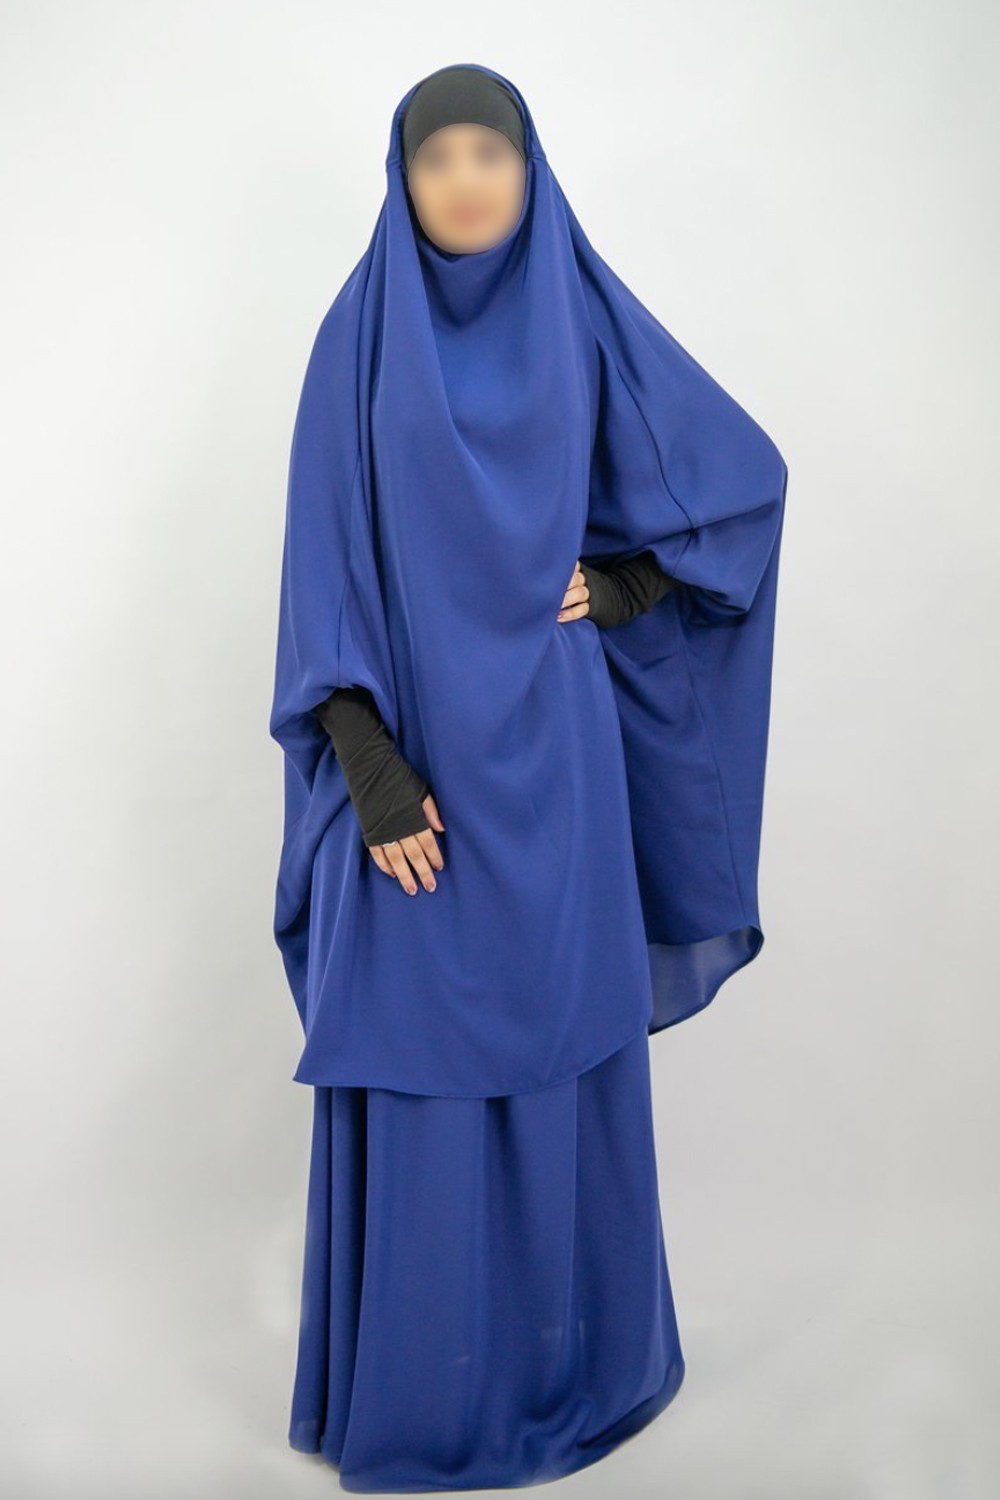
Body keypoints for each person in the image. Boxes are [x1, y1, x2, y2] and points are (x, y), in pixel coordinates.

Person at [268, 62, 787, 1492]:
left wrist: (621, 586)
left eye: (488, 152)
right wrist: (371, 770)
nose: (464, 181)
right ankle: (425, 1398)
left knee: (559, 1036)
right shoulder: (358, 338)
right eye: (434, 157)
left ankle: (583, 1373)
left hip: (557, 770)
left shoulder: (582, 315)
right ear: (401, 178)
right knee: (423, 1045)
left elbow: (737, 485)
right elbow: (322, 570)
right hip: (417, 778)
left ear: (529, 167)